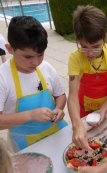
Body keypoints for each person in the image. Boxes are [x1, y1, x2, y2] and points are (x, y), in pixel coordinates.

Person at [0, 16, 68, 151]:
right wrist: (30, 115)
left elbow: (60, 95)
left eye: (40, 55)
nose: (36, 63)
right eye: (28, 57)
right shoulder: (3, 77)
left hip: (56, 133)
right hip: (25, 143)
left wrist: (59, 108)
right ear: (10, 49)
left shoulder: (46, 67)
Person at [67, 5, 107, 149]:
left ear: (105, 37)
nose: (90, 53)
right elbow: (73, 96)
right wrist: (76, 124)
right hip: (84, 108)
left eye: (95, 46)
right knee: (86, 144)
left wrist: (104, 109)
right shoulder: (75, 58)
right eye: (83, 46)